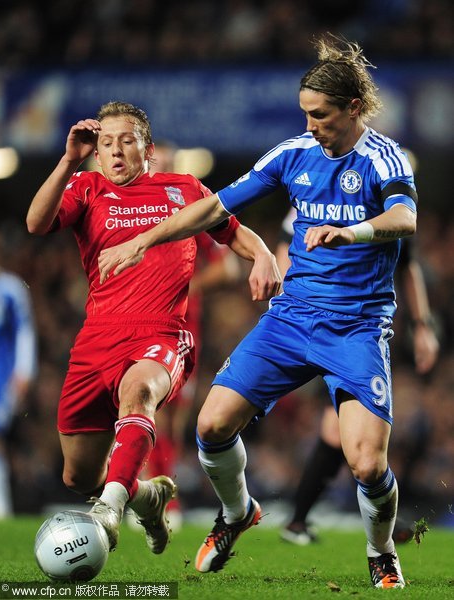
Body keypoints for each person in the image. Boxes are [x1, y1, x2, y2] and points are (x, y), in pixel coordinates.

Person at [97, 35, 418, 589]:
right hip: (291, 319)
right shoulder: (291, 154)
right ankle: (237, 512)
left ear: (354, 109)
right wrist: (143, 240)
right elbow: (213, 208)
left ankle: (382, 548)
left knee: (366, 465)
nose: (311, 125)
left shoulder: (381, 158)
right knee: (211, 424)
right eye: (305, 115)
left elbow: (405, 219)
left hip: (357, 326)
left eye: (321, 116)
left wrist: (353, 231)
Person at [26, 101, 281, 555]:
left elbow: (233, 231)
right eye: (106, 144)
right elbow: (36, 223)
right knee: (77, 476)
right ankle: (145, 496)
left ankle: (109, 510)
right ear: (97, 155)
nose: (117, 152)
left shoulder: (183, 189)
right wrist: (68, 160)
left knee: (139, 392)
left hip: (162, 333)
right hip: (97, 339)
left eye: (127, 141)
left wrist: (261, 254)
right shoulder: (86, 187)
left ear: (149, 151)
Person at [276, 207, 439, 546]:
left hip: (369, 330)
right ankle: (371, 521)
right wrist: (287, 308)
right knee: (344, 432)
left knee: (343, 432)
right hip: (321, 326)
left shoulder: (389, 205)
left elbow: (407, 264)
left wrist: (422, 325)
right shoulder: (317, 194)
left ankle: (301, 519)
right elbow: (284, 247)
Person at [139, 140, 241, 530]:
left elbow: (227, 269)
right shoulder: (130, 210)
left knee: (174, 420)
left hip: (181, 328)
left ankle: (161, 492)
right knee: (151, 412)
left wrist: (185, 283)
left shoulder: (187, 210)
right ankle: (156, 495)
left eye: (165, 162)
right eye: (154, 161)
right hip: (139, 325)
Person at [0, 229, 37, 517]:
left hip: (1, 379)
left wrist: (24, 372)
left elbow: (25, 334)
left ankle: (0, 506)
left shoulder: (10, 288)